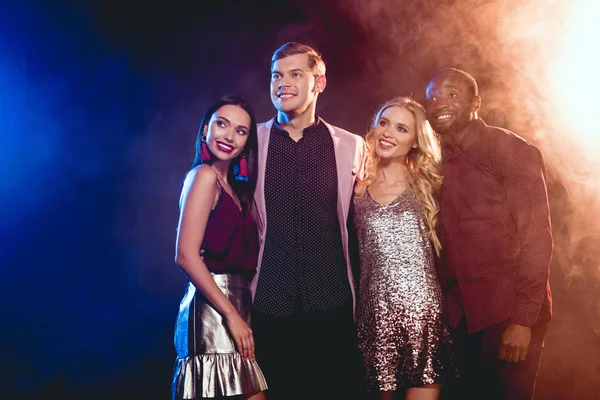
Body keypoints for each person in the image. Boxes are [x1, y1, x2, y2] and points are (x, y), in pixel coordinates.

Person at [424, 68, 553, 400]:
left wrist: (523, 320)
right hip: (461, 319)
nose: (440, 102)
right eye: (434, 96)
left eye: (452, 94)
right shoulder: (437, 164)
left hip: (507, 313)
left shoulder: (510, 149)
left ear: (475, 103)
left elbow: (537, 237)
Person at [250, 42, 366, 399]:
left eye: (295, 74)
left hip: (331, 305)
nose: (282, 83)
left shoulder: (353, 145)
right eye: (276, 76)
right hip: (269, 306)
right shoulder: (251, 142)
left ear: (319, 82)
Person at [353, 97, 456, 400]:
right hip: (374, 316)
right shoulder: (356, 187)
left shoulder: (427, 185)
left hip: (422, 314)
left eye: (401, 128)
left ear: (414, 141)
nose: (388, 133)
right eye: (384, 123)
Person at [171, 95, 267, 400]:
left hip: (238, 307)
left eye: (240, 131)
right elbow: (186, 254)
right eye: (222, 124)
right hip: (213, 312)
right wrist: (230, 315)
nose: (229, 136)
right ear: (205, 130)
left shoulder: (238, 190)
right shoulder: (204, 176)